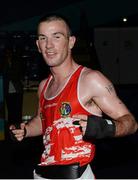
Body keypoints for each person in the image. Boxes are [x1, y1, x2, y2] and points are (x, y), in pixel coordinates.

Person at [9, 13, 138, 179]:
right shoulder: (43, 86)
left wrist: (105, 127)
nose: (49, 45)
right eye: (43, 38)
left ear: (71, 42)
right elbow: (44, 122)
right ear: (38, 45)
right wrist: (25, 130)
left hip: (76, 174)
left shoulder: (91, 80)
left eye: (57, 37)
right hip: (42, 174)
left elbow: (131, 123)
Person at [2, 47, 24, 126]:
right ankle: (11, 128)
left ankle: (18, 126)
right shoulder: (3, 63)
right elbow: (4, 74)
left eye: (9, 53)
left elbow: (16, 74)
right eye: (6, 53)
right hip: (7, 91)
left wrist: (9, 72)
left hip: (17, 90)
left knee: (18, 110)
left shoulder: (17, 62)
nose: (8, 55)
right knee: (10, 111)